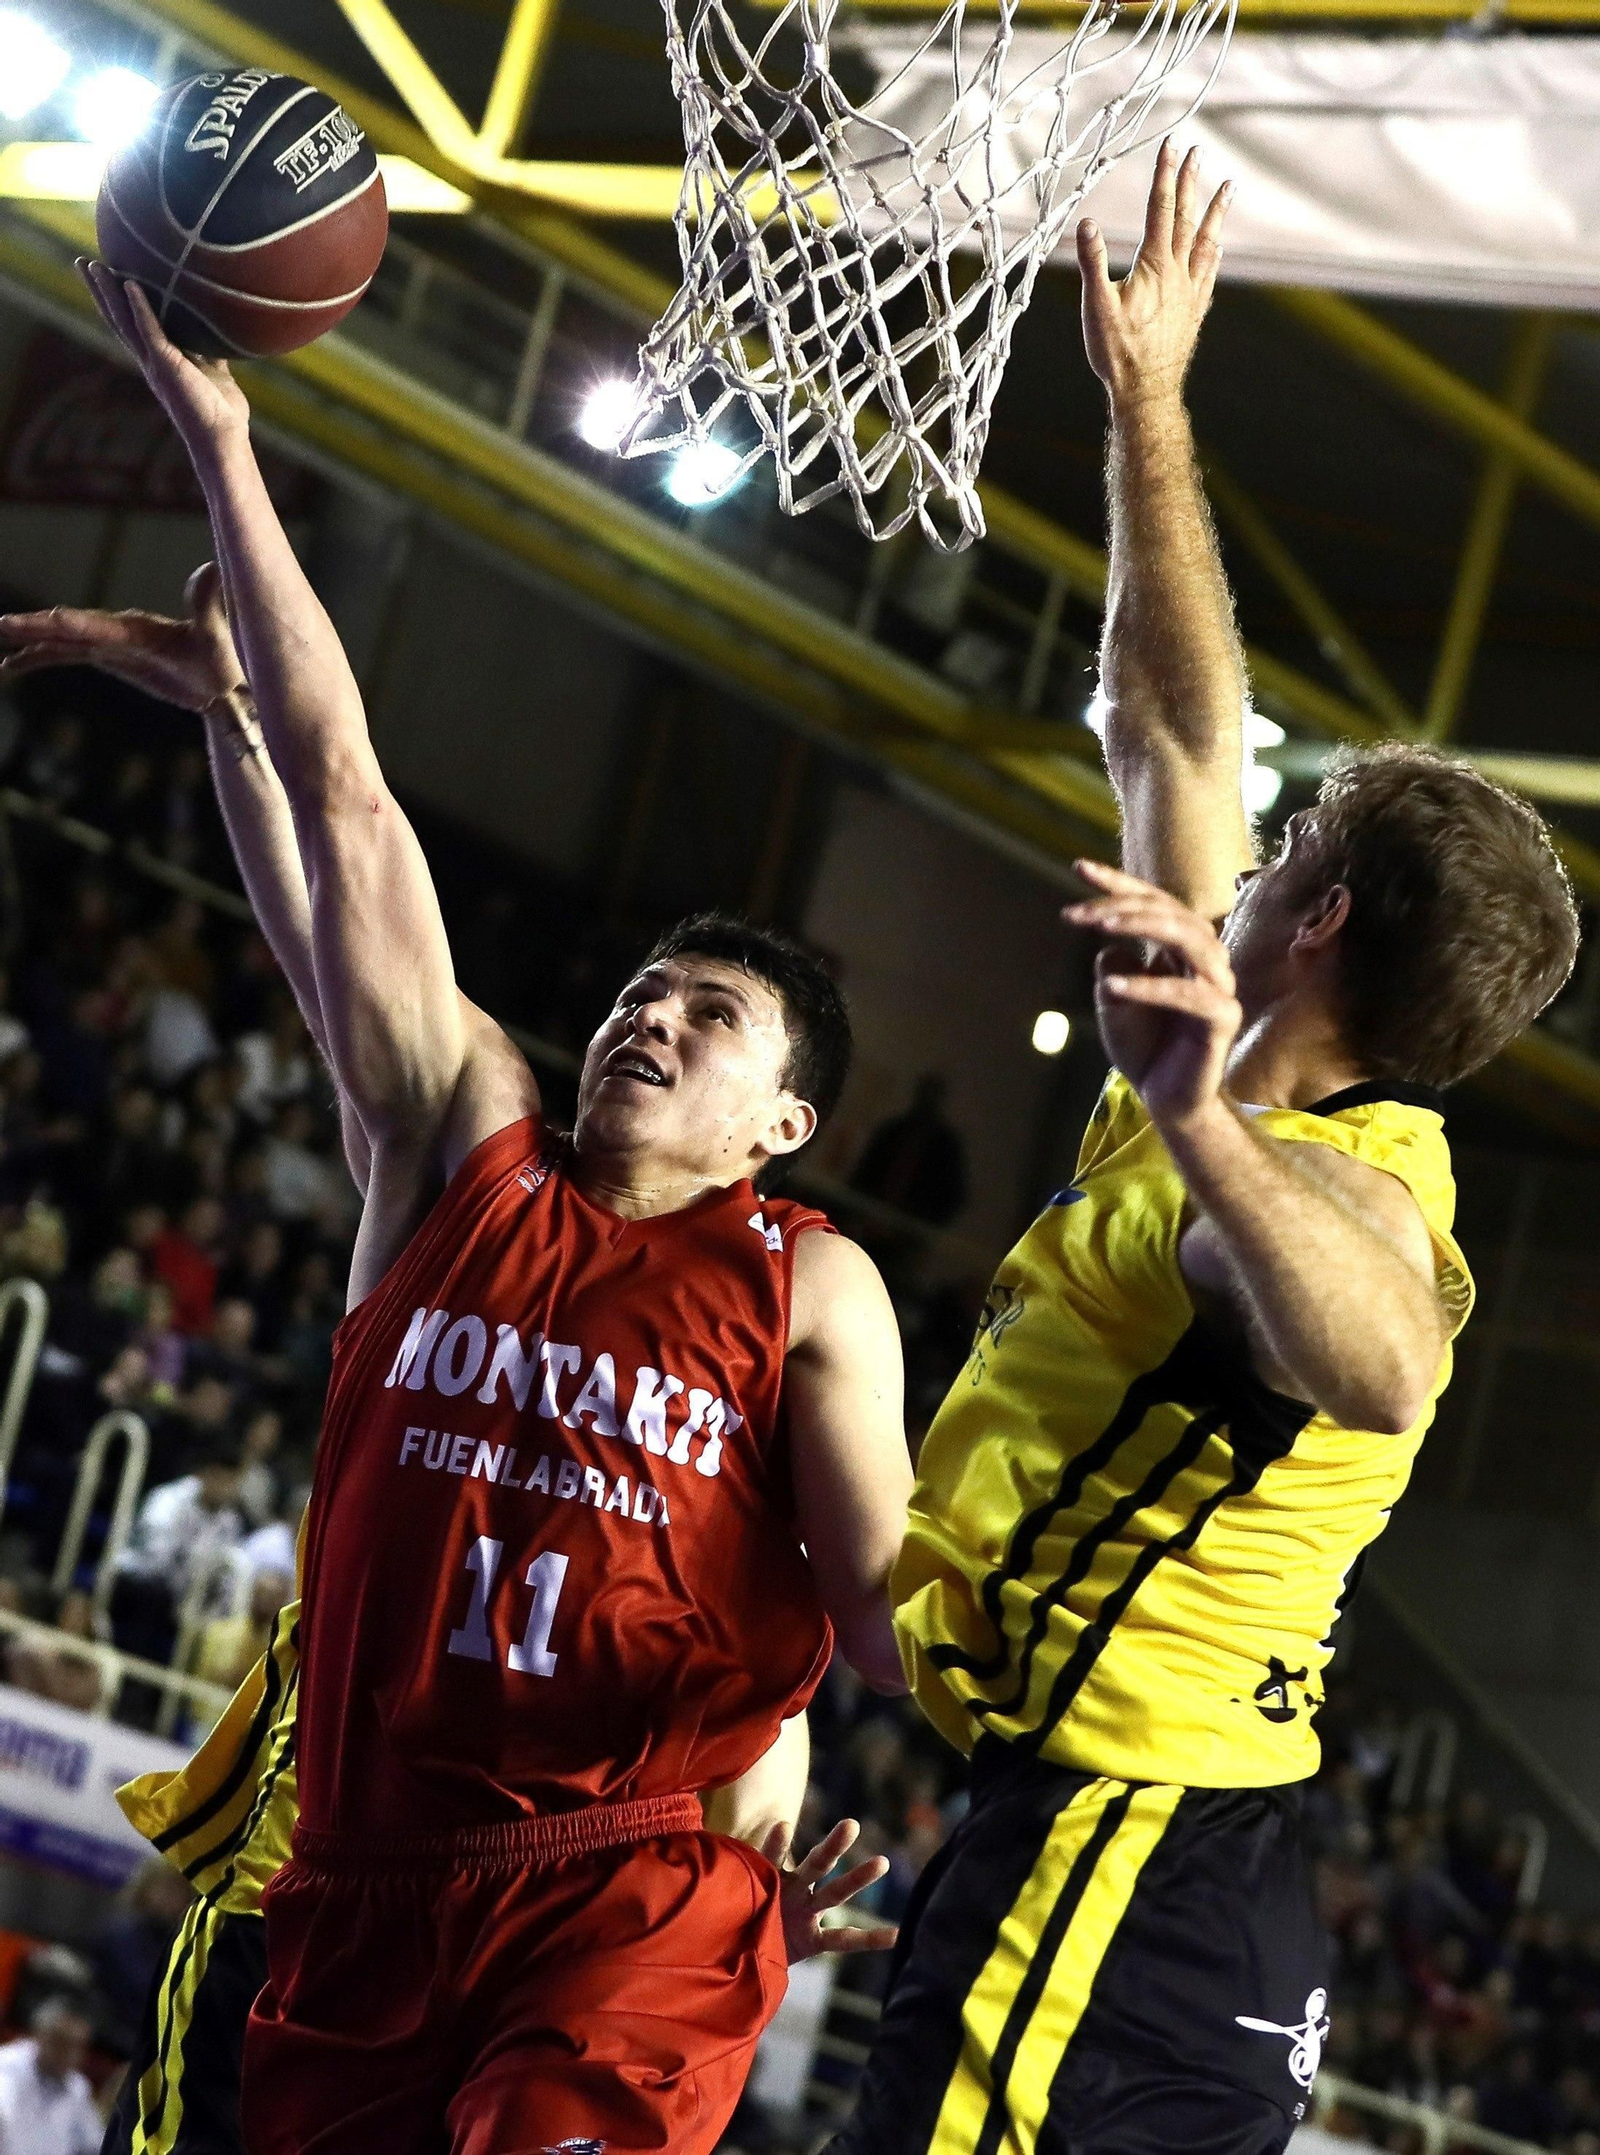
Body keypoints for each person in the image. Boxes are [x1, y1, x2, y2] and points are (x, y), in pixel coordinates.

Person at [3, 259, 914, 2155]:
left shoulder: (807, 1278)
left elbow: (887, 1605)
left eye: (711, 1014)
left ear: (785, 1122)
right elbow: (349, 819)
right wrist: (225, 478)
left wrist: (816, 1783)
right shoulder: (461, 1142)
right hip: (362, 1878)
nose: (652, 1016)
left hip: (619, 1886)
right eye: (642, 992)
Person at [825, 144, 1581, 2155]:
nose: (1238, 854)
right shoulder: (1230, 1058)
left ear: (1312, 917)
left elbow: (1386, 1362)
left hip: (1122, 1849)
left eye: (1287, 843)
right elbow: (1164, 719)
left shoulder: (1352, 1176)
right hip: (1152, 1854)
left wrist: (1187, 1117)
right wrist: (1147, 401)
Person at [851, 1074, 969, 1228]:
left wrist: (923, 1221)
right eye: (925, 1095)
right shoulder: (893, 1131)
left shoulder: (945, 1148)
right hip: (869, 1218)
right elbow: (864, 1172)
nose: (926, 1103)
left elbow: (952, 1196)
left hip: (909, 1230)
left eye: (931, 1097)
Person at [0, 1996, 103, 2155]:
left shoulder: (77, 2087)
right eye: (62, 2043)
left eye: (77, 2046)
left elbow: (95, 2144)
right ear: (40, 2034)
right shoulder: (8, 2066)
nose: (69, 2054)